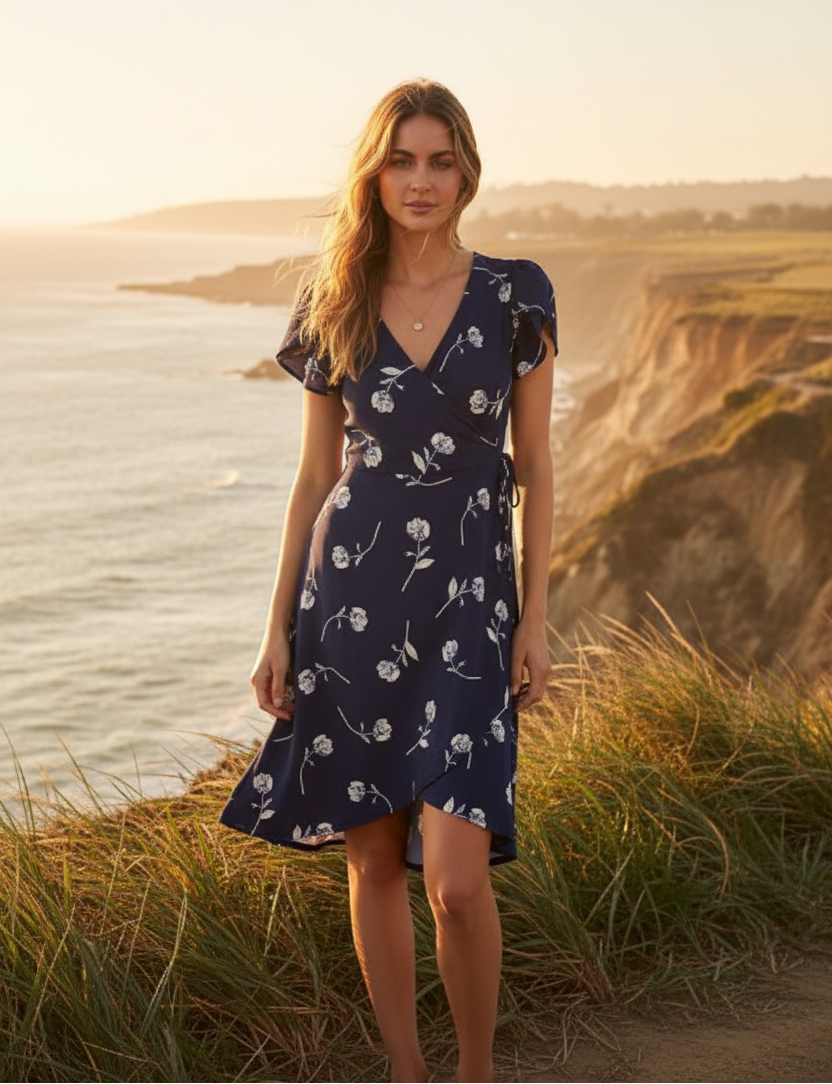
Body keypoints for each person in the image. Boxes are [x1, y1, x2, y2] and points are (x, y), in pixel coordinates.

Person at [220, 79, 556, 1084]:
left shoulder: (514, 292)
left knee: (455, 878)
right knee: (372, 859)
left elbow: (534, 467)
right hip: (350, 602)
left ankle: (476, 1071)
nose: (420, 180)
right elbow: (317, 477)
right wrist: (276, 627)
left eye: (439, 160)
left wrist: (535, 614)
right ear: (375, 171)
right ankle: (408, 1072)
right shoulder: (335, 301)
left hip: (468, 601)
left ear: (466, 172)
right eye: (401, 160)